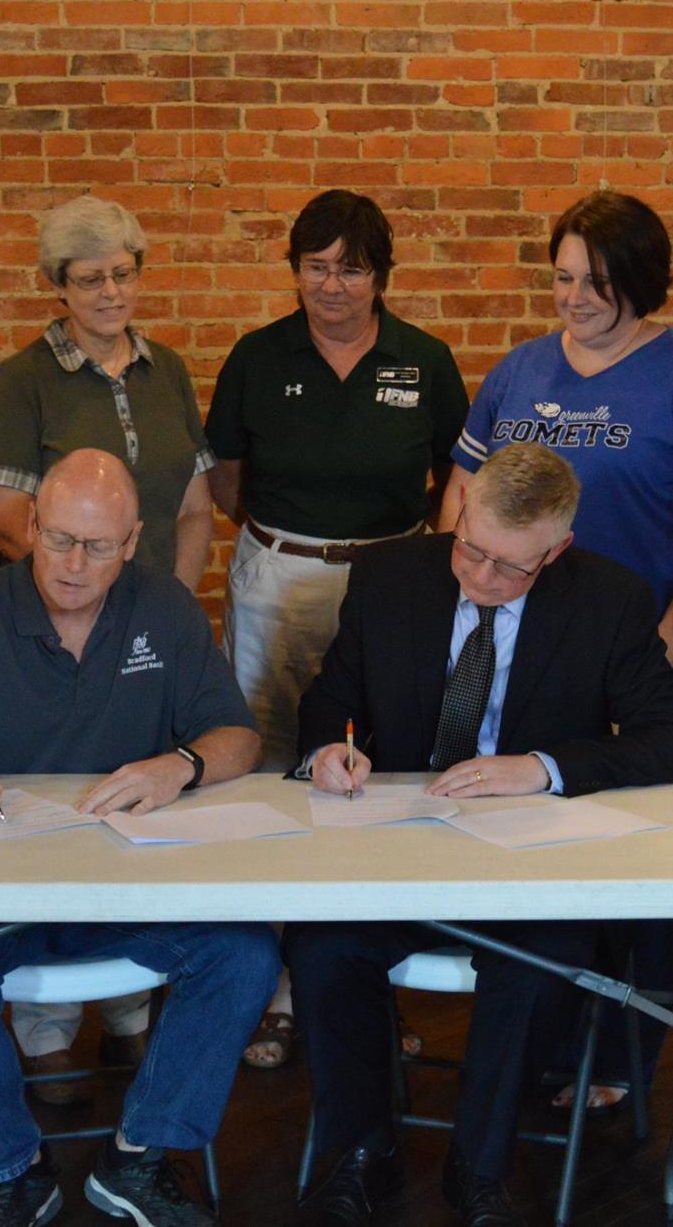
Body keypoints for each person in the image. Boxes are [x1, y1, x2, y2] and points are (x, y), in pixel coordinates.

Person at [0, 450, 279, 1227]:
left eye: (98, 546)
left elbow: (237, 734)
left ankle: (138, 1156)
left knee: (245, 954)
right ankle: (14, 1165)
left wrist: (182, 765)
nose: (74, 564)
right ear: (31, 526)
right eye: (60, 538)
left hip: (127, 881)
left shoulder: (165, 609)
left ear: (133, 541)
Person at [285, 443, 673, 1227]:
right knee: (321, 944)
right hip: (397, 842)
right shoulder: (389, 575)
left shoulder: (607, 597)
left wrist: (542, 767)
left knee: (542, 959)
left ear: (557, 549)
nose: (480, 578)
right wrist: (327, 750)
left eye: (512, 569)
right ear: (462, 505)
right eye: (472, 550)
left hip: (530, 857)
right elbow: (329, 698)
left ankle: (480, 1166)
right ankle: (361, 1150)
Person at [441, 191, 673, 1116]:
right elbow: (463, 494)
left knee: (625, 855)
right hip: (528, 649)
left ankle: (621, 1055)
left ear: (641, 281)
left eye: (597, 283)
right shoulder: (519, 372)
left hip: (641, 650)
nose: (575, 298)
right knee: (542, 845)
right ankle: (540, 1042)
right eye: (563, 278)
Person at [204, 188, 469, 1069]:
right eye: (315, 267)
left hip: (395, 578)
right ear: (295, 272)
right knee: (275, 765)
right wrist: (291, 541)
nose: (332, 285)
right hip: (280, 571)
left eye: (350, 268)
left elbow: (450, 474)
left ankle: (365, 984)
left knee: (380, 766)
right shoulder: (256, 356)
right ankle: (275, 988)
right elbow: (227, 477)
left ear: (380, 276)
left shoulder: (424, 361)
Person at [0, 195, 217, 1103]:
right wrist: (94, 595)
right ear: (57, 287)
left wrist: (169, 613)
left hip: (148, 631)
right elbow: (8, 526)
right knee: (61, 807)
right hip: (56, 629)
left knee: (143, 809)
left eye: (124, 271)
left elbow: (193, 510)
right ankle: (44, 1029)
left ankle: (128, 1008)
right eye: (90, 278)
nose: (112, 290)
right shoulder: (19, 383)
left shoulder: (170, 371)